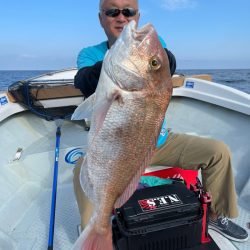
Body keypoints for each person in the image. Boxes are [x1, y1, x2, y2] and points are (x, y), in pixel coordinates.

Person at [73, 0, 248, 242]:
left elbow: (168, 62)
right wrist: (124, 60)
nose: (121, 17)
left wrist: (143, 59)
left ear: (137, 16)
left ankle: (216, 216)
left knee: (218, 152)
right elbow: (83, 81)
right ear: (101, 18)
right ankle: (94, 230)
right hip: (116, 150)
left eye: (129, 11)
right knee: (83, 169)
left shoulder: (151, 47)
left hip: (157, 140)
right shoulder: (90, 54)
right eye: (112, 11)